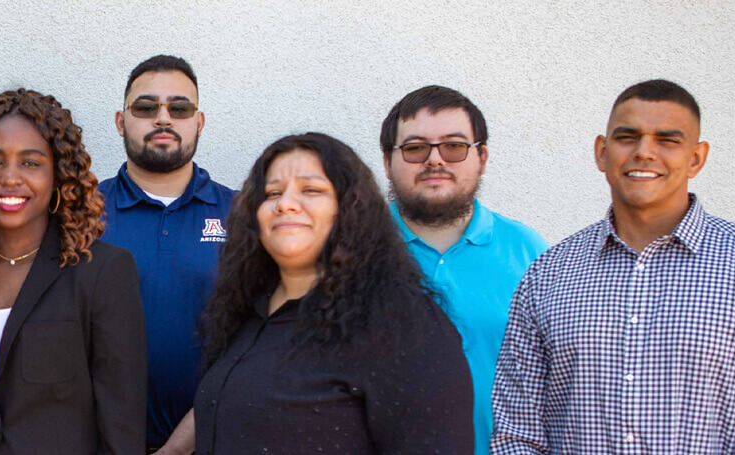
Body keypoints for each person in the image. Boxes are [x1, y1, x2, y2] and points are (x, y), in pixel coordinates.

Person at [491, 79, 735, 453]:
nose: (644, 152)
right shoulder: (548, 275)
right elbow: (516, 432)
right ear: (602, 152)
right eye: (627, 137)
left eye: (667, 140)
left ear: (696, 158)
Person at [157, 133, 474, 455]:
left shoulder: (404, 326)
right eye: (272, 193)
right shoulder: (246, 314)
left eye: (311, 190)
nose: (286, 204)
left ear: (351, 209)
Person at [0, 88, 147, 454]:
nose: (10, 177)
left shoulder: (103, 272)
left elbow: (121, 424)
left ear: (59, 176)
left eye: (31, 163)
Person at [377, 85, 547, 455]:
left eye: (454, 146)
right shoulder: (349, 250)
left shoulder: (529, 253)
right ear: (388, 161)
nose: (434, 160)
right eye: (415, 148)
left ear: (482, 157)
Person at [97, 54, 234, 451]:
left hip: (213, 439)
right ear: (122, 121)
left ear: (198, 122)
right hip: (98, 440)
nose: (163, 117)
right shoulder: (82, 212)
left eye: (179, 107)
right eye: (145, 107)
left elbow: (256, 340)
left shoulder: (242, 213)